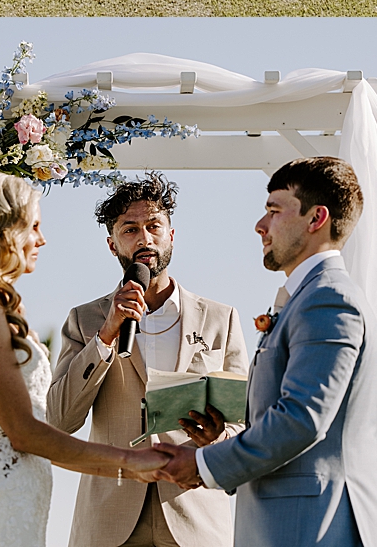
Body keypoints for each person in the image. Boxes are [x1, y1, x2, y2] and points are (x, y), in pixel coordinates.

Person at [0, 176, 170, 547]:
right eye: (34, 227)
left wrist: (131, 468)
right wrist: (128, 459)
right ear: (2, 229)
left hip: (21, 500)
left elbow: (42, 437)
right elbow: (25, 433)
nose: (41, 240)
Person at [153, 158, 373, 547]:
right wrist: (220, 443)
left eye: (274, 210)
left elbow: (303, 418)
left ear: (316, 218)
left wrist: (203, 465)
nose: (260, 225)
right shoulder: (306, 298)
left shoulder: (329, 299)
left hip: (310, 527)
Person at [46, 174, 248, 547]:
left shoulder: (222, 319)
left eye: (154, 225)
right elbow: (60, 419)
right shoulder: (84, 320)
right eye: (130, 229)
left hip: (195, 517)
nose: (145, 238)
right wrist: (106, 334)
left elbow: (245, 422)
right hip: (109, 521)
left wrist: (216, 435)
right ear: (112, 245)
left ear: (172, 234)